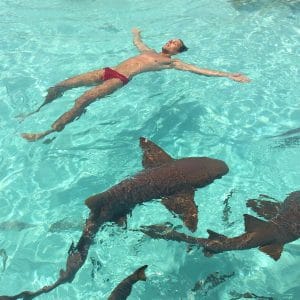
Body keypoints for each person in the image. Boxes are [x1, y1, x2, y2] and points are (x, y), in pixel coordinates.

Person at [21, 28, 250, 141]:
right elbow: (138, 43)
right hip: (107, 70)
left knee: (82, 100)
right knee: (61, 85)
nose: (170, 42)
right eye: (171, 39)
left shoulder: (172, 62)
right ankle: (35, 111)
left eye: (174, 43)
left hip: (119, 79)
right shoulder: (149, 51)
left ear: (177, 51)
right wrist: (137, 33)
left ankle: (47, 132)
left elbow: (200, 71)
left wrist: (228, 75)